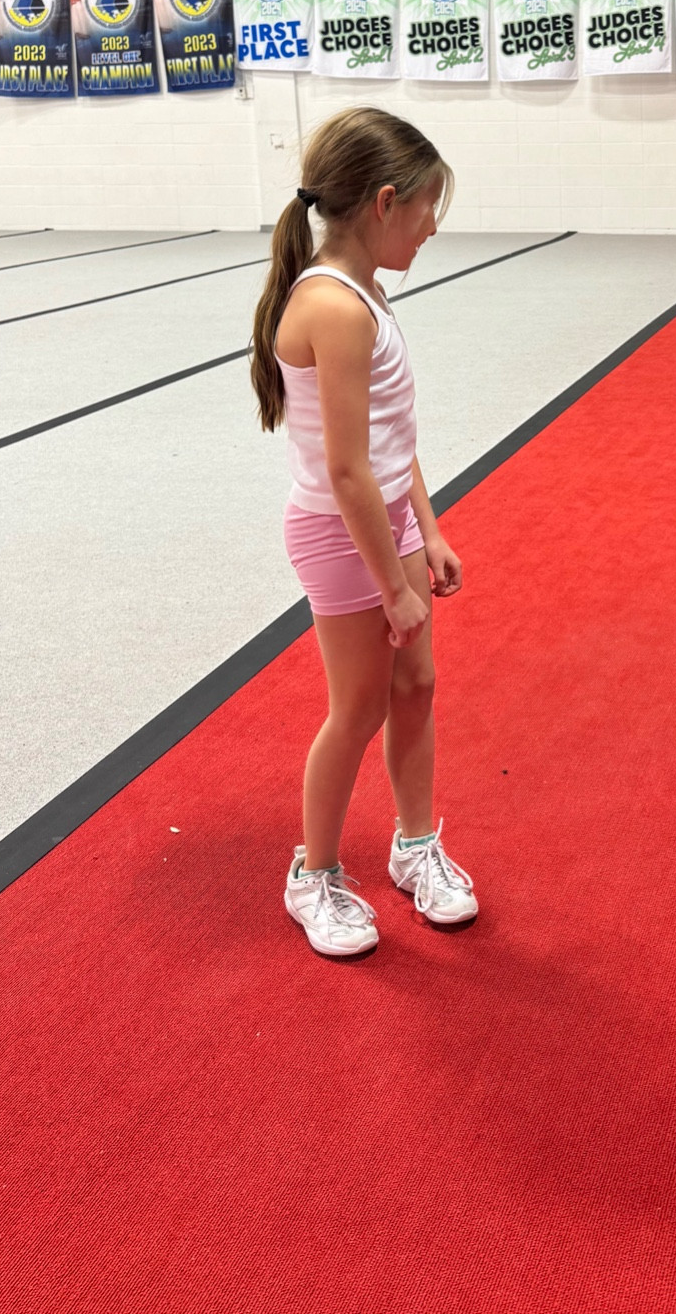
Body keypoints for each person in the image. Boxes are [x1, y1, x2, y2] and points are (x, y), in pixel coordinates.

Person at [250, 106, 478, 957]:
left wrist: (429, 528)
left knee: (415, 685)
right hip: (341, 533)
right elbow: (346, 472)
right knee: (358, 708)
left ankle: (414, 845)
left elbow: (390, 440)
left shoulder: (367, 291)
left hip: (386, 523)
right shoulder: (333, 308)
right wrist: (392, 586)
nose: (431, 228)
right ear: (384, 202)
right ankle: (312, 873)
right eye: (426, 209)